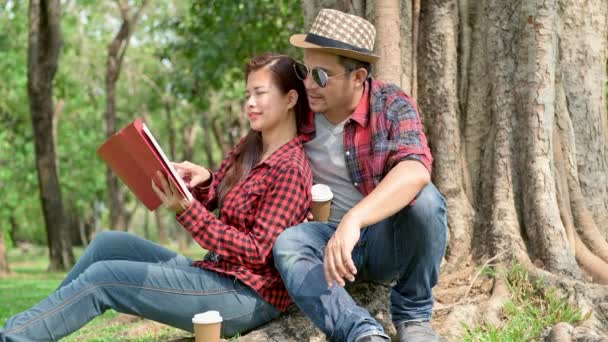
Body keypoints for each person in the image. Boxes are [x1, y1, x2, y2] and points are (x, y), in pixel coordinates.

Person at [0, 53, 312, 341]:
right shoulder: (251, 145)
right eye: (247, 95)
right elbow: (223, 195)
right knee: (107, 244)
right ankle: (33, 327)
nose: (250, 103)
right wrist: (202, 180)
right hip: (215, 273)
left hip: (246, 296)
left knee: (103, 279)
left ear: (290, 99)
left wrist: (188, 212)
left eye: (260, 93)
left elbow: (258, 251)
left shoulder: (291, 169)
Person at [272, 9, 447, 342]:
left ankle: (413, 317)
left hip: (382, 239)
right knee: (288, 244)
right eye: (304, 71)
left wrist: (354, 219)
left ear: (357, 77)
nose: (309, 83)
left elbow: (415, 169)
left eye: (321, 76)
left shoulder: (391, 104)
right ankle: (362, 332)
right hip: (324, 245)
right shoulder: (296, 107)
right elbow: (255, 154)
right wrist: (207, 177)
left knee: (426, 201)